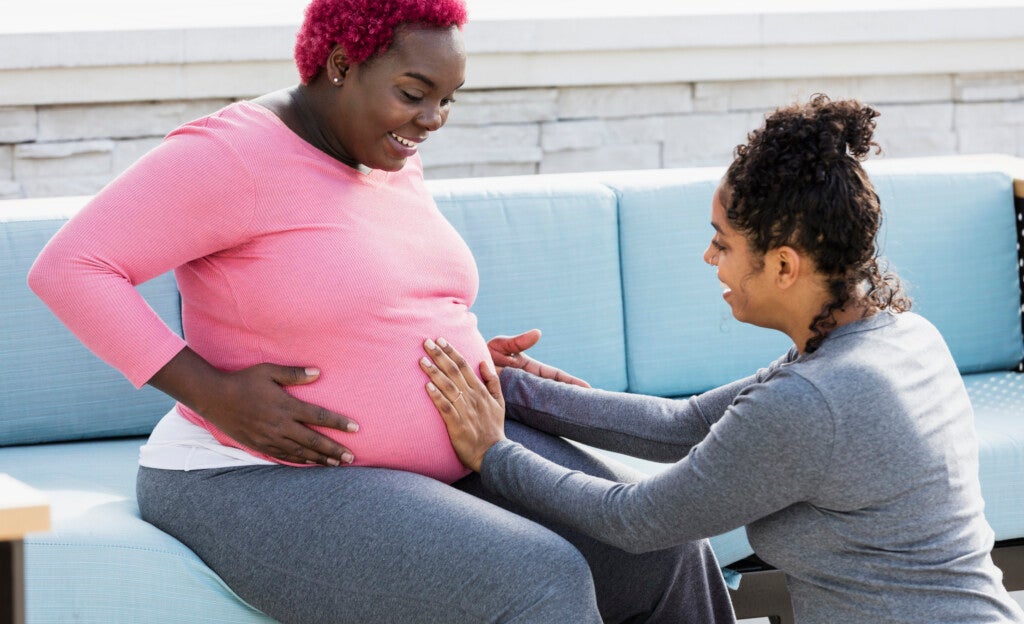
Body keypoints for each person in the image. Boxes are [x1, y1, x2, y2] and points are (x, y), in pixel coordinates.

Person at [27, 0, 737, 622]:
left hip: (443, 457)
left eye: (448, 99)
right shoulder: (234, 154)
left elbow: (372, 295)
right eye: (414, 93)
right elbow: (72, 268)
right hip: (251, 477)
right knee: (537, 580)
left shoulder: (381, 152)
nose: (432, 120)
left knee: (661, 544)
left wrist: (461, 353)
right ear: (341, 63)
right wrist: (214, 393)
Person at [420, 95, 1024, 624]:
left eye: (724, 242)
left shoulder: (812, 401)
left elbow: (634, 521)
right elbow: (678, 425)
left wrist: (494, 454)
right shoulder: (899, 337)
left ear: (784, 265)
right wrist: (511, 386)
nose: (710, 258)